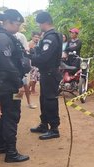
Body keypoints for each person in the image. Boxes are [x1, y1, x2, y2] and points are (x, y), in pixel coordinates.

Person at [0, 9, 30, 162]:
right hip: (10, 85)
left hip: (6, 84)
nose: (18, 28)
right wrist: (19, 82)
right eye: (17, 24)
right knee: (12, 115)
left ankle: (2, 145)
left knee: (5, 115)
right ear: (8, 22)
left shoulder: (5, 37)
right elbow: (6, 64)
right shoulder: (3, 38)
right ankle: (11, 153)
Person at [30, 11, 63, 140]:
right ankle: (44, 124)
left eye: (39, 24)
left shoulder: (51, 37)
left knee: (50, 100)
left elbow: (44, 58)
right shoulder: (51, 35)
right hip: (46, 73)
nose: (39, 26)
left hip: (50, 73)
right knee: (44, 99)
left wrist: (31, 57)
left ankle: (54, 128)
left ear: (44, 23)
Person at [15, 31, 37, 109]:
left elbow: (26, 49)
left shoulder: (20, 36)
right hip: (7, 64)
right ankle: (1, 108)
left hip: (19, 64)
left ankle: (25, 102)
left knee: (23, 84)